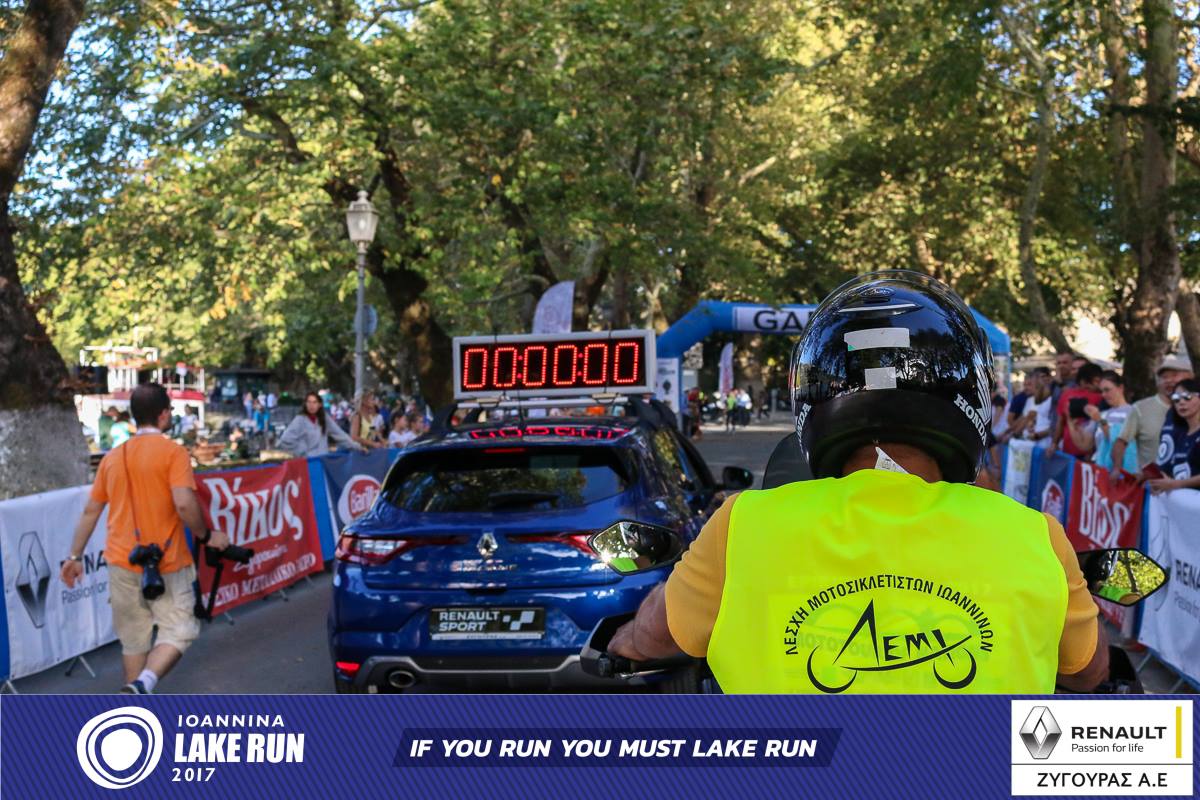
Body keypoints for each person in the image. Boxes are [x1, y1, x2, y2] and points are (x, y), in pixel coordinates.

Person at [606, 271, 1106, 693]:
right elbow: (1088, 670)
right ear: (973, 396)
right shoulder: (1034, 535)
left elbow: (651, 638)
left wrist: (621, 641)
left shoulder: (743, 523)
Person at [61, 383, 230, 694]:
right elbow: (184, 503)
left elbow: (91, 511)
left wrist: (74, 557)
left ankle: (133, 706)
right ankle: (144, 683)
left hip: (122, 561)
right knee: (180, 629)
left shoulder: (113, 458)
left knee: (134, 640)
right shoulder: (174, 453)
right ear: (164, 415)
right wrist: (206, 535)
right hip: (168, 561)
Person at [1112, 358, 1194, 472]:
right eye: (1164, 377)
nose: (1169, 380)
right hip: (1151, 480)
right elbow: (1121, 442)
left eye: (1174, 375)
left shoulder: (1196, 409)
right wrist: (1117, 469)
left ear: (1190, 377)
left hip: (1189, 479)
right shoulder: (1141, 408)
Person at [1147, 378, 1200, 494]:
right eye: (1176, 398)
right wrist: (1162, 483)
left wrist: (1177, 484)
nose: (1181, 402)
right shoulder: (1179, 435)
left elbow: (1177, 483)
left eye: (1187, 397)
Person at [1078, 371, 1137, 473]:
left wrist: (1100, 420)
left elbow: (1119, 442)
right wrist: (1072, 423)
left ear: (1120, 388)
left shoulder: (1132, 413)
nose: (1104, 395)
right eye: (1102, 391)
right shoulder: (1102, 414)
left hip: (1122, 473)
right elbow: (1085, 446)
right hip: (1100, 471)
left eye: (1107, 390)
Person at [277, 391, 365, 457]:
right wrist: (303, 451)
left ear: (319, 404)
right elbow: (284, 441)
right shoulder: (300, 419)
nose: (311, 405)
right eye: (309, 402)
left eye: (314, 402)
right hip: (307, 464)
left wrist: (357, 447)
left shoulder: (324, 418)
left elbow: (340, 435)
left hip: (323, 461)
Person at [1053, 362, 1103, 459]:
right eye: (1094, 381)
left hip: (1090, 452)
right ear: (1082, 380)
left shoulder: (1102, 398)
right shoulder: (1067, 394)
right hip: (1068, 449)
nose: (1096, 384)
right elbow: (1060, 421)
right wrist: (1054, 443)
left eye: (1098, 381)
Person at [1021, 367, 1055, 449]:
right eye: (1036, 377)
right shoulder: (1041, 398)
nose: (1039, 380)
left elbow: (1057, 424)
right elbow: (1042, 418)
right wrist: (1033, 424)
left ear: (1049, 378)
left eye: (1042, 376)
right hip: (1040, 445)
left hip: (1049, 445)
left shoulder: (1054, 396)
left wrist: (1038, 435)